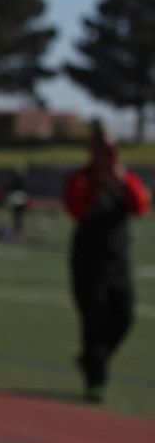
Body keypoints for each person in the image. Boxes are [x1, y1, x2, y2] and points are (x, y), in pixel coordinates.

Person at [63, 122, 150, 402]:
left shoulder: (124, 179)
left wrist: (121, 181)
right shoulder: (80, 179)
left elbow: (141, 207)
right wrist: (96, 184)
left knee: (124, 315)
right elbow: (77, 210)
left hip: (118, 260)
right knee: (93, 321)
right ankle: (95, 381)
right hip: (87, 262)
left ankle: (92, 359)